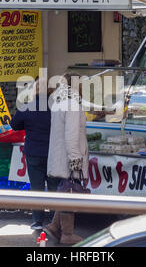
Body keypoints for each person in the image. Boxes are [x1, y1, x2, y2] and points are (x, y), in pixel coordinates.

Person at [10, 78, 60, 230]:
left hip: (33, 152)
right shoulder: (57, 107)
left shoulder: (27, 107)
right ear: (51, 90)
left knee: (36, 187)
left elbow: (14, 125)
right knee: (53, 187)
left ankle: (37, 221)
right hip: (52, 152)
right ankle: (53, 220)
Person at [44, 73, 89, 245]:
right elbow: (71, 136)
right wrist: (75, 160)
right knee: (70, 192)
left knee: (65, 190)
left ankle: (54, 227)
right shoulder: (72, 104)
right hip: (69, 156)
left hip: (60, 155)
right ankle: (67, 234)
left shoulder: (59, 102)